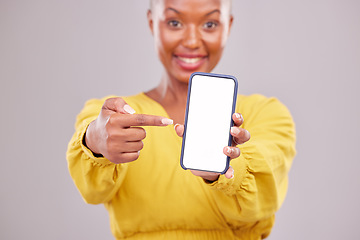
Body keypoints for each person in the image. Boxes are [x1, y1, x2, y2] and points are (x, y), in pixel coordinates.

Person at [66, 0, 296, 239]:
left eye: (210, 24)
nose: (192, 41)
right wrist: (94, 141)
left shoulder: (267, 114)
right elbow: (92, 191)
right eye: (175, 22)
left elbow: (264, 198)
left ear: (228, 26)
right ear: (152, 23)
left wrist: (222, 169)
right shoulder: (114, 116)